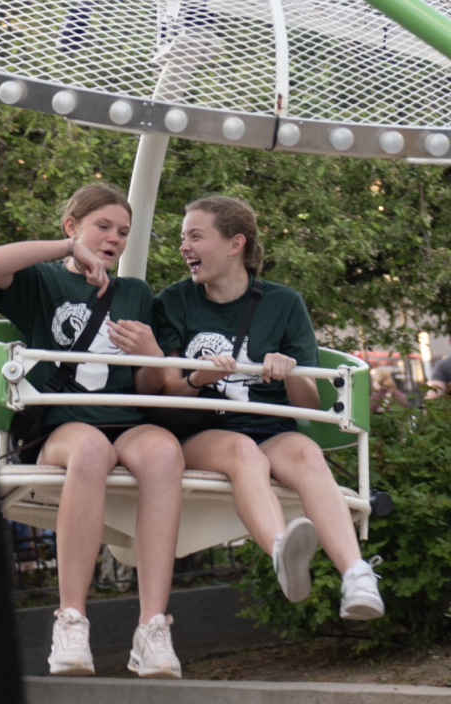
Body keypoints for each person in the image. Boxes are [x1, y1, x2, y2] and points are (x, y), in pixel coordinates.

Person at [0, 182, 185, 679]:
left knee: (164, 452)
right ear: (73, 226)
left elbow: (147, 386)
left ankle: (153, 627)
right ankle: (71, 619)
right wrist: (70, 250)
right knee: (90, 450)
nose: (114, 238)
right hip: (65, 428)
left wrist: (153, 353)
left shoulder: (134, 292)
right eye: (102, 227)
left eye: (124, 232)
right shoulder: (43, 283)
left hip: (125, 421)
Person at [154, 195, 384, 621]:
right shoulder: (173, 301)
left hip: (270, 427)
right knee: (243, 454)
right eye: (182, 238)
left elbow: (306, 407)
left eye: (195, 236)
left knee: (306, 454)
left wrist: (290, 371)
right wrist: (199, 378)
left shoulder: (283, 303)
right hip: (203, 430)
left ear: (234, 243)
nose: (183, 247)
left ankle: (357, 576)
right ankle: (282, 550)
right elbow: (165, 388)